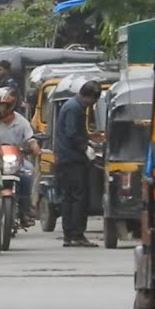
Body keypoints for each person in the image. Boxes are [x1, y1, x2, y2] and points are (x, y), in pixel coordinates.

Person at [55, 80, 103, 247]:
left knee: (68, 197)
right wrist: (86, 149)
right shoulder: (75, 109)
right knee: (78, 198)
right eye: (94, 100)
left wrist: (89, 138)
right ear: (89, 97)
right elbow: (72, 134)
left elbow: (76, 132)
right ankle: (76, 234)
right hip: (72, 160)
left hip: (66, 159)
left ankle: (69, 234)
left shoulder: (73, 106)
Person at [0, 87, 40, 226]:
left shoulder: (22, 122)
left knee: (28, 173)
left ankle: (25, 211)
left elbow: (31, 140)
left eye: (5, 106)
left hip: (15, 160)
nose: (1, 109)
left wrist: (36, 150)